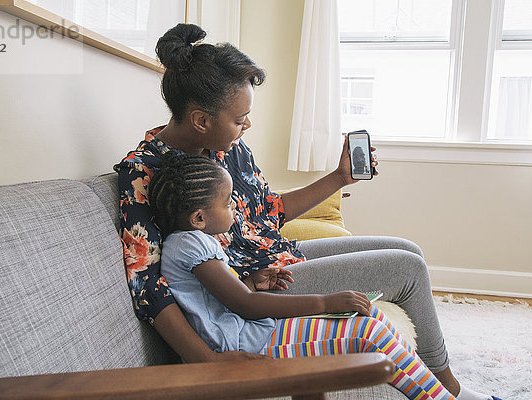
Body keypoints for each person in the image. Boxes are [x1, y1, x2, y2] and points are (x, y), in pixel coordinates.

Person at [114, 23, 500, 400]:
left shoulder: (227, 147)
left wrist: (339, 178)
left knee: (406, 248)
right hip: (250, 287)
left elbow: (268, 212)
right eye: (238, 118)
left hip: (273, 261)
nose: (247, 124)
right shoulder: (143, 173)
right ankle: (451, 389)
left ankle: (438, 379)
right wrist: (210, 363)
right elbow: (149, 288)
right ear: (202, 120)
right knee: (406, 267)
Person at [149, 151, 456, 400]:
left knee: (370, 317)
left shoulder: (191, 240)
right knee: (368, 334)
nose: (234, 210)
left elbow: (218, 299)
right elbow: (245, 305)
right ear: (199, 218)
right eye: (229, 203)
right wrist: (326, 302)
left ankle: (439, 392)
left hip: (251, 333)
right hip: (244, 346)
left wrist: (251, 281)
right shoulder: (190, 244)